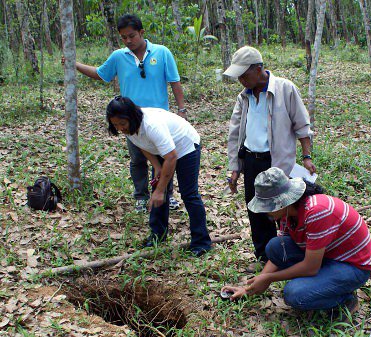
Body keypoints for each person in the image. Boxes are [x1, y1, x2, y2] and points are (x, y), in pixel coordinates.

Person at [65, 13, 185, 212]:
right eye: (124, 37)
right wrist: (74, 64)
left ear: (141, 33)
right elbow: (99, 74)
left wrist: (182, 109)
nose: (128, 41)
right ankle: (140, 196)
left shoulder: (162, 53)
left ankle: (167, 194)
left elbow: (175, 82)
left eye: (132, 36)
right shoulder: (118, 57)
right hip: (130, 119)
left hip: (160, 118)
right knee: (138, 158)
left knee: (164, 157)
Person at [222, 168, 371, 315]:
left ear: (282, 202)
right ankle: (326, 282)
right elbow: (281, 251)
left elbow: (311, 267)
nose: (264, 211)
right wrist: (251, 287)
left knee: (295, 294)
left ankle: (345, 299)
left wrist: (269, 278)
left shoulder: (317, 212)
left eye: (267, 206)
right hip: (327, 255)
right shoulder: (287, 213)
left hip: (353, 266)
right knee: (275, 246)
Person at [224, 46, 317, 267]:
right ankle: (264, 257)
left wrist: (306, 156)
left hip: (276, 161)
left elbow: (302, 125)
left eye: (244, 75)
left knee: (282, 209)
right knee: (255, 208)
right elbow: (235, 133)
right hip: (251, 160)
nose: (241, 81)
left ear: (259, 69)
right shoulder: (243, 97)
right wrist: (235, 167)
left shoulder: (285, 89)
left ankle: (288, 254)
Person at [106, 96, 212, 256]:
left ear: (131, 117)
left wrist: (161, 190)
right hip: (164, 150)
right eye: (115, 125)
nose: (120, 128)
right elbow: (143, 144)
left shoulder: (151, 125)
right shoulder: (129, 127)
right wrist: (156, 166)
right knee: (157, 186)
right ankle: (158, 235)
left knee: (188, 194)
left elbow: (172, 157)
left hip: (185, 146)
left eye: (122, 124)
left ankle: (201, 242)